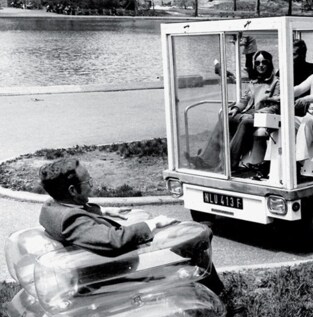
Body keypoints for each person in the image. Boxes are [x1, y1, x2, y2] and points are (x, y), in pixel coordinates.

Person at [37, 158, 225, 294]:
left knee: (186, 237)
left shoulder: (52, 207)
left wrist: (103, 211)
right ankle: (219, 297)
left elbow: (76, 213)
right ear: (72, 190)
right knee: (198, 236)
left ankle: (200, 283)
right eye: (88, 182)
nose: (92, 186)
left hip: (104, 264)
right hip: (115, 270)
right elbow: (113, 241)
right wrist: (152, 224)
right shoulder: (72, 220)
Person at [189, 51, 279, 171]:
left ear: (270, 63)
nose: (260, 65)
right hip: (248, 114)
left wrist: (255, 114)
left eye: (264, 62)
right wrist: (236, 109)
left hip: (265, 117)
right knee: (226, 119)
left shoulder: (276, 83)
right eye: (257, 62)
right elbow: (245, 99)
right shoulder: (254, 82)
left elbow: (276, 106)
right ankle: (207, 159)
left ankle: (229, 163)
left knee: (245, 123)